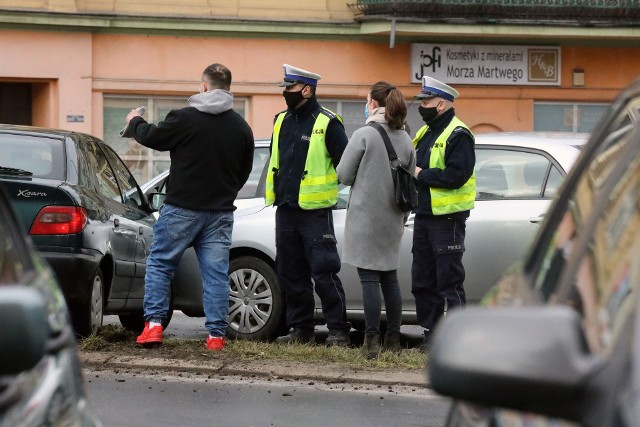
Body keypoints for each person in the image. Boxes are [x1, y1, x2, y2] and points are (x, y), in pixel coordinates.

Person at [125, 63, 254, 351]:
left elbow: (152, 137)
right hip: (220, 213)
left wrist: (135, 121)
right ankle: (216, 337)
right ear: (228, 88)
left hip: (182, 208)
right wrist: (225, 193)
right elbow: (244, 170)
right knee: (216, 274)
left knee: (160, 264)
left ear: (204, 86)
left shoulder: (184, 118)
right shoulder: (241, 128)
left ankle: (154, 327)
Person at [266, 64, 351, 345]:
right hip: (286, 210)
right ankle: (301, 330)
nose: (285, 93)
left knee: (324, 271)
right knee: (291, 273)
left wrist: (324, 190)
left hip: (315, 213)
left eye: (289, 88)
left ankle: (338, 329)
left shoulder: (328, 122)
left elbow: (347, 168)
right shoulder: (281, 121)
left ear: (306, 89)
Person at [336, 82, 415, 359]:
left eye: (367, 99)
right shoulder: (405, 138)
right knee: (389, 278)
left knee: (369, 279)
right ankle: (392, 337)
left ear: (373, 104)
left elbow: (344, 174)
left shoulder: (364, 135)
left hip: (366, 219)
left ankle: (371, 341)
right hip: (394, 217)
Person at [410, 76, 476, 351]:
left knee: (449, 281)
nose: (421, 106)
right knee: (423, 280)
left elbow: (457, 175)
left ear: (440, 104)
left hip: (447, 218)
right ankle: (432, 334)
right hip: (425, 216)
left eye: (425, 101)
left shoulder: (459, 134)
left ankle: (458, 338)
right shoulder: (425, 133)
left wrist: (423, 175)